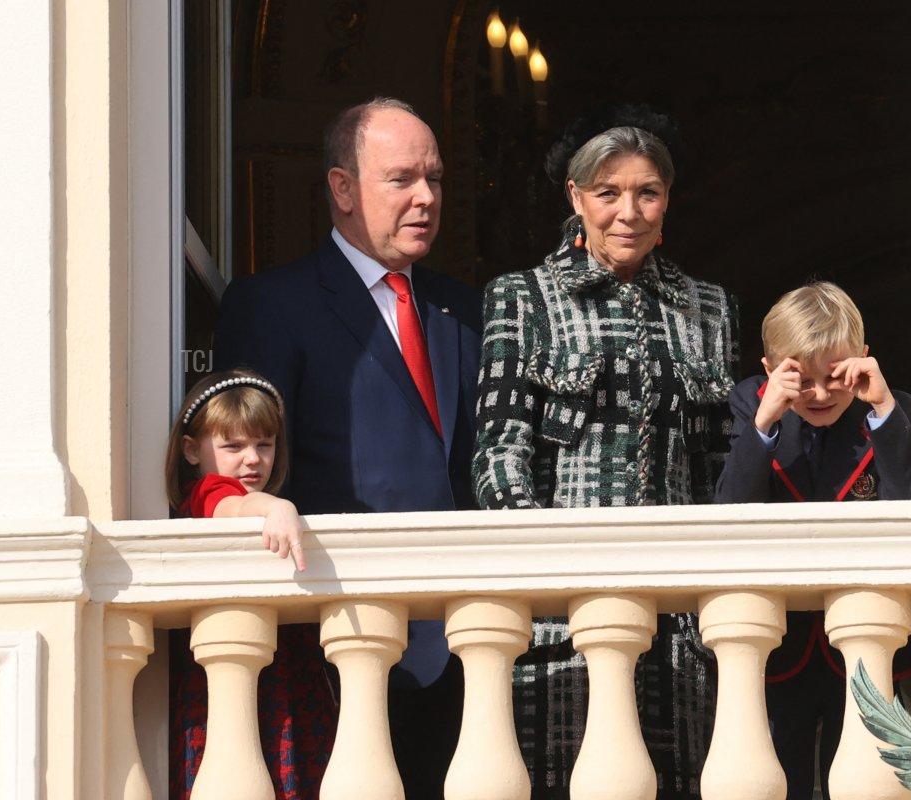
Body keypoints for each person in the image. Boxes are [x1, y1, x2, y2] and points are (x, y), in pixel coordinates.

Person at [213, 97, 481, 797]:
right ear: (342, 188)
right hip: (336, 634)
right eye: (402, 179)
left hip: (465, 642)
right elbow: (240, 462)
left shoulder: (464, 310)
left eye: (435, 179)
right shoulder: (272, 304)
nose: (426, 197)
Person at [473, 117, 739, 798]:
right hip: (562, 621)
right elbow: (500, 456)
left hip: (679, 627)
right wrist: (549, 576)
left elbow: (720, 473)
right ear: (576, 197)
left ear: (667, 200)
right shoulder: (522, 297)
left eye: (647, 192)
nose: (629, 211)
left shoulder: (710, 309)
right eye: (608, 192)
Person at [714, 280, 911, 800]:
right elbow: (730, 510)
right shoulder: (751, 405)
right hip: (779, 640)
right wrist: (766, 420)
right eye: (801, 379)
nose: (818, 394)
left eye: (834, 377)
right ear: (771, 370)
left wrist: (883, 412)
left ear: (862, 359)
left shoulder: (892, 411)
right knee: (774, 776)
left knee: (866, 776)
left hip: (863, 637)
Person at [164, 369, 336, 799]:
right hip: (236, 670)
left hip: (283, 672)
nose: (253, 458)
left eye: (265, 444)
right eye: (233, 446)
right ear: (191, 450)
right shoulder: (207, 491)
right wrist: (276, 508)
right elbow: (230, 505)